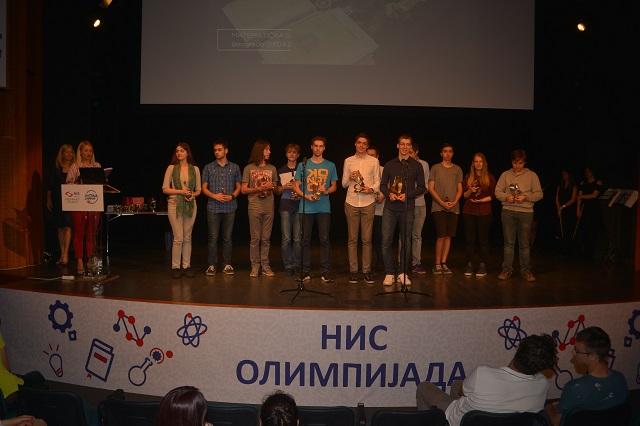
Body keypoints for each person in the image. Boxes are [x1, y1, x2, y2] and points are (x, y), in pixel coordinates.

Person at [416, 334, 557, 426]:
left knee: (424, 387)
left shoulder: (483, 374)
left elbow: (461, 391)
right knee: (457, 384)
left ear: (518, 349)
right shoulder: (542, 385)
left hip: (461, 422)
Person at [544, 327, 628, 426]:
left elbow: (556, 422)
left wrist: (549, 407)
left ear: (592, 356)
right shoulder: (620, 378)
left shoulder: (574, 388)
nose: (573, 353)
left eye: (577, 350)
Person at [379, 134, 426, 286]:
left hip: (407, 208)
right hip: (390, 208)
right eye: (402, 144)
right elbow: (382, 185)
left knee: (406, 241)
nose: (405, 147)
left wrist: (407, 195)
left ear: (410, 147)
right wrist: (389, 194)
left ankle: (403, 273)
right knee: (386, 241)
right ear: (397, 146)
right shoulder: (389, 165)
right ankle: (389, 273)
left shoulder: (416, 165)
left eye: (408, 144)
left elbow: (422, 187)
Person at [293, 136, 338, 283]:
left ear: (324, 148)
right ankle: (305, 271)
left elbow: (334, 186)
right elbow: (295, 186)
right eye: (315, 146)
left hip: (323, 208)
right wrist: (305, 196)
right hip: (306, 207)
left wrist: (326, 191)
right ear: (311, 147)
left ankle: (325, 271)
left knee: (324, 240)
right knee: (305, 240)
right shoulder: (303, 165)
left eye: (321, 146)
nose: (318, 148)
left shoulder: (330, 165)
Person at [495, 149, 543, 282]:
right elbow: (497, 192)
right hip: (508, 212)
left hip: (525, 213)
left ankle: (526, 271)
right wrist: (506, 197)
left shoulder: (532, 175)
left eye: (520, 163)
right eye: (515, 163)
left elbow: (539, 194)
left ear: (524, 162)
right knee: (508, 243)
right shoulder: (505, 175)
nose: (517, 166)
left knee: (524, 244)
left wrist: (525, 197)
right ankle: (506, 270)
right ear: (512, 162)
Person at [342, 133, 380, 284]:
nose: (361, 145)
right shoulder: (348, 161)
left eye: (364, 143)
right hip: (351, 202)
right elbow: (344, 184)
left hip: (368, 202)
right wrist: (350, 178)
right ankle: (353, 271)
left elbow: (378, 181)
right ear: (355, 144)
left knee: (367, 239)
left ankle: (366, 271)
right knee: (352, 239)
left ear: (367, 146)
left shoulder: (374, 161)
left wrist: (370, 189)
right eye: (359, 142)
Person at [201, 139, 242, 276]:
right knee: (213, 237)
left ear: (226, 150)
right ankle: (212, 265)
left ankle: (227, 264)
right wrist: (214, 196)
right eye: (215, 150)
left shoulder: (235, 167)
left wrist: (233, 196)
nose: (217, 152)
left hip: (230, 207)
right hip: (213, 207)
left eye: (219, 149)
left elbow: (239, 186)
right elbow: (203, 188)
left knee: (227, 237)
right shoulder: (208, 167)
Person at [162, 142, 201, 279]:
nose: (179, 153)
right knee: (178, 237)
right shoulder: (171, 168)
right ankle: (175, 267)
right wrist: (181, 192)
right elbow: (165, 189)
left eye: (182, 151)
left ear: (187, 153)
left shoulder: (195, 169)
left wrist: (191, 195)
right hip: (174, 204)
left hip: (190, 205)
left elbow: (198, 190)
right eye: (177, 151)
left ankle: (186, 266)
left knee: (187, 237)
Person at [242, 139, 278, 278]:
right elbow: (244, 189)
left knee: (266, 239)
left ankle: (265, 265)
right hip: (255, 207)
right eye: (267, 149)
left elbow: (275, 187)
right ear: (260, 151)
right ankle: (255, 265)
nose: (269, 152)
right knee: (255, 238)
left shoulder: (272, 168)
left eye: (269, 149)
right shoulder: (249, 168)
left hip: (269, 207)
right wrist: (259, 188)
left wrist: (272, 186)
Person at [66, 140, 102, 276]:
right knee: (79, 232)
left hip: (94, 203)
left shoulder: (97, 166)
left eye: (90, 151)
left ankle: (89, 260)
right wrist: (78, 183)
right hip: (79, 204)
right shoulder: (75, 166)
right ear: (80, 152)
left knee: (91, 233)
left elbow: (101, 183)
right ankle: (80, 260)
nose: (88, 153)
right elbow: (68, 184)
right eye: (86, 150)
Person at [428, 143, 463, 274]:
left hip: (453, 207)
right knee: (441, 235)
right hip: (439, 207)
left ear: (452, 153)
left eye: (450, 151)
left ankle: (444, 262)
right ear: (441, 153)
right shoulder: (435, 168)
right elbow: (431, 188)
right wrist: (442, 203)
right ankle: (437, 264)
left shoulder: (457, 169)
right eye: (445, 151)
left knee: (449, 236)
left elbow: (460, 189)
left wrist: (454, 202)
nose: (447, 153)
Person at [462, 153, 496, 278]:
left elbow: (493, 195)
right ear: (473, 163)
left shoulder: (490, 177)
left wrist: (481, 200)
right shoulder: (468, 177)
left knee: (483, 240)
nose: (478, 164)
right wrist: (470, 190)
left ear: (484, 163)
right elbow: (464, 195)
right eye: (476, 161)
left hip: (484, 211)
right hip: (469, 211)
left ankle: (483, 264)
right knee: (470, 240)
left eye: (480, 161)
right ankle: (469, 264)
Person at [46, 144, 75, 266]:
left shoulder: (75, 168)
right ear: (62, 154)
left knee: (68, 226)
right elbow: (50, 186)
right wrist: (48, 200)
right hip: (58, 200)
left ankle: (66, 254)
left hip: (70, 200)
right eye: (66, 152)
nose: (69, 154)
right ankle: (62, 253)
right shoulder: (56, 168)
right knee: (60, 227)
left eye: (71, 152)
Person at [276, 144, 302, 276]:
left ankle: (297, 264)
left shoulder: (302, 169)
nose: (292, 154)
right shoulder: (281, 170)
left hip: (299, 205)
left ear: (298, 155)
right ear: (286, 154)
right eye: (289, 152)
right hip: (285, 205)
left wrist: (300, 192)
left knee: (297, 238)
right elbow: (277, 190)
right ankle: (288, 265)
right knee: (286, 238)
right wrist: (284, 187)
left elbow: (307, 186)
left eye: (294, 152)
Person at [408, 142, 430, 274]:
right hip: (405, 204)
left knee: (417, 235)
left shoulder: (424, 164)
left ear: (416, 152)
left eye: (411, 152)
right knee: (404, 234)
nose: (408, 154)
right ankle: (402, 262)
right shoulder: (403, 164)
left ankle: (416, 263)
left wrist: (412, 194)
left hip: (419, 204)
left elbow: (426, 186)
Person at [576, 166, 603, 260]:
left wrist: (581, 196)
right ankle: (584, 252)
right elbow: (579, 197)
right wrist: (578, 210)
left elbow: (594, 195)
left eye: (588, 171)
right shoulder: (583, 183)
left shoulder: (598, 182)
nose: (586, 173)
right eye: (585, 171)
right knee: (584, 231)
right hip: (585, 209)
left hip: (594, 210)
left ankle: (591, 253)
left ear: (592, 172)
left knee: (593, 231)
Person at [367, 146, 385, 273]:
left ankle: (380, 262)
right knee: (368, 238)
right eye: (368, 155)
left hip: (380, 210)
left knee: (380, 237)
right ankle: (368, 263)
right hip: (366, 208)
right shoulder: (363, 169)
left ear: (377, 157)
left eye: (373, 155)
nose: (370, 157)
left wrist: (382, 196)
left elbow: (387, 186)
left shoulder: (383, 170)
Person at [555, 170, 577, 256]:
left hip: (569, 209)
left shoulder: (573, 186)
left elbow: (573, 199)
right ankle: (561, 248)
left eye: (565, 174)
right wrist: (558, 208)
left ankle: (567, 249)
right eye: (563, 174)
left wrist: (563, 206)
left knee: (568, 229)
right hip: (560, 209)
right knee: (560, 229)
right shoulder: (560, 185)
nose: (563, 176)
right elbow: (557, 197)